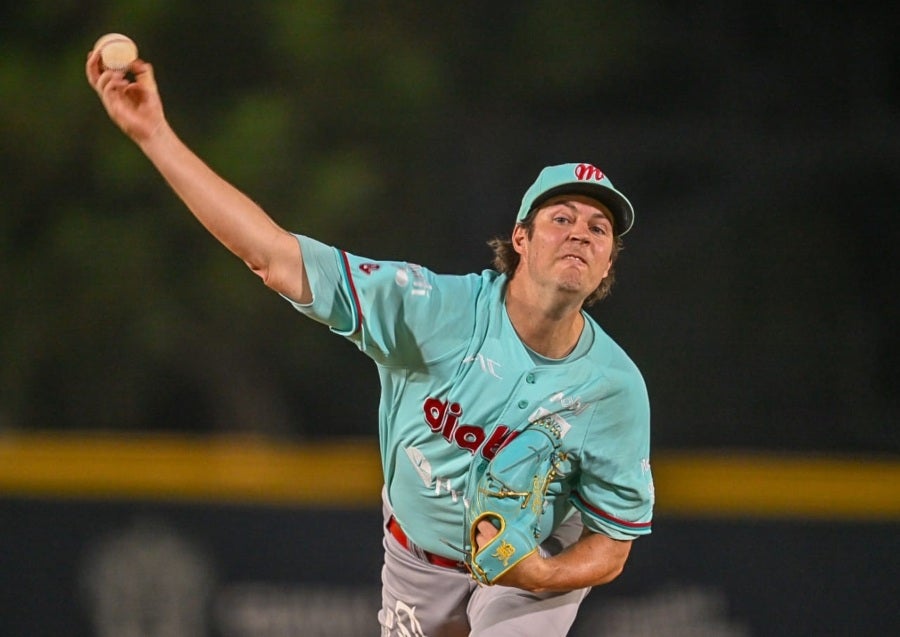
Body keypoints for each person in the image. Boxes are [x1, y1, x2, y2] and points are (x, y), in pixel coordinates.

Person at [86, 48, 654, 637]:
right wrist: (155, 135)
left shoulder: (614, 388)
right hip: (416, 558)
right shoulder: (433, 312)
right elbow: (274, 256)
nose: (581, 234)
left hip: (528, 560)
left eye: (599, 228)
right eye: (562, 217)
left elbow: (613, 542)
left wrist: (542, 575)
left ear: (609, 260)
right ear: (520, 238)